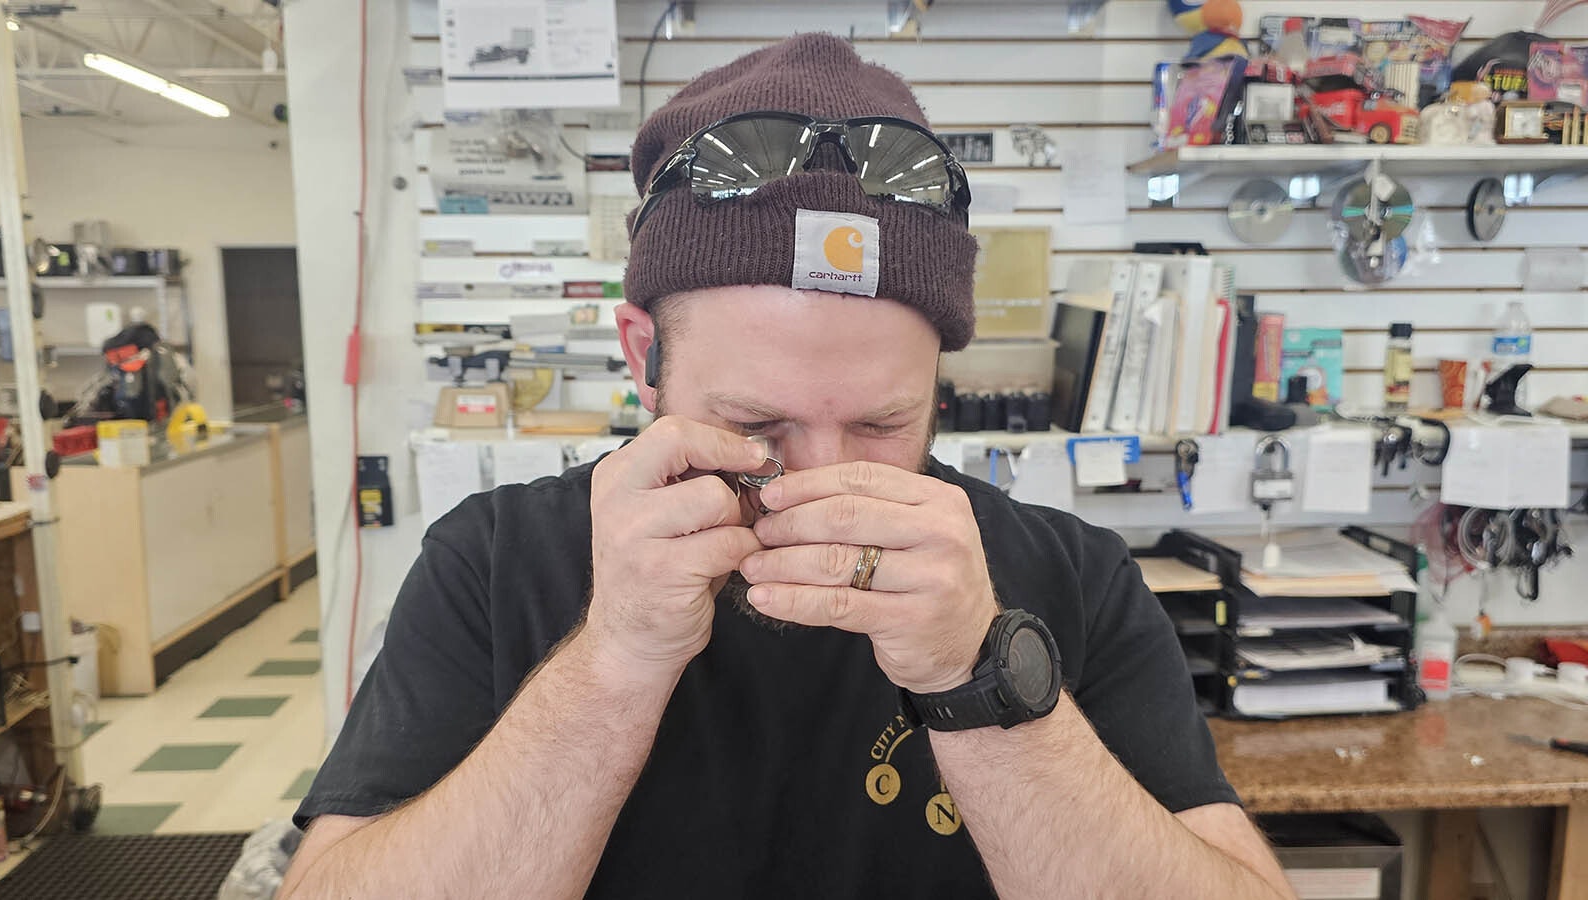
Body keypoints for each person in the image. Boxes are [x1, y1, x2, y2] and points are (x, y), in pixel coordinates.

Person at [281, 33, 1296, 900]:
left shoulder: (1065, 574)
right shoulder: (496, 559)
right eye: (756, 425)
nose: (820, 480)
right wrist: (615, 662)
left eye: (883, 422)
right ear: (643, 356)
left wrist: (978, 683)